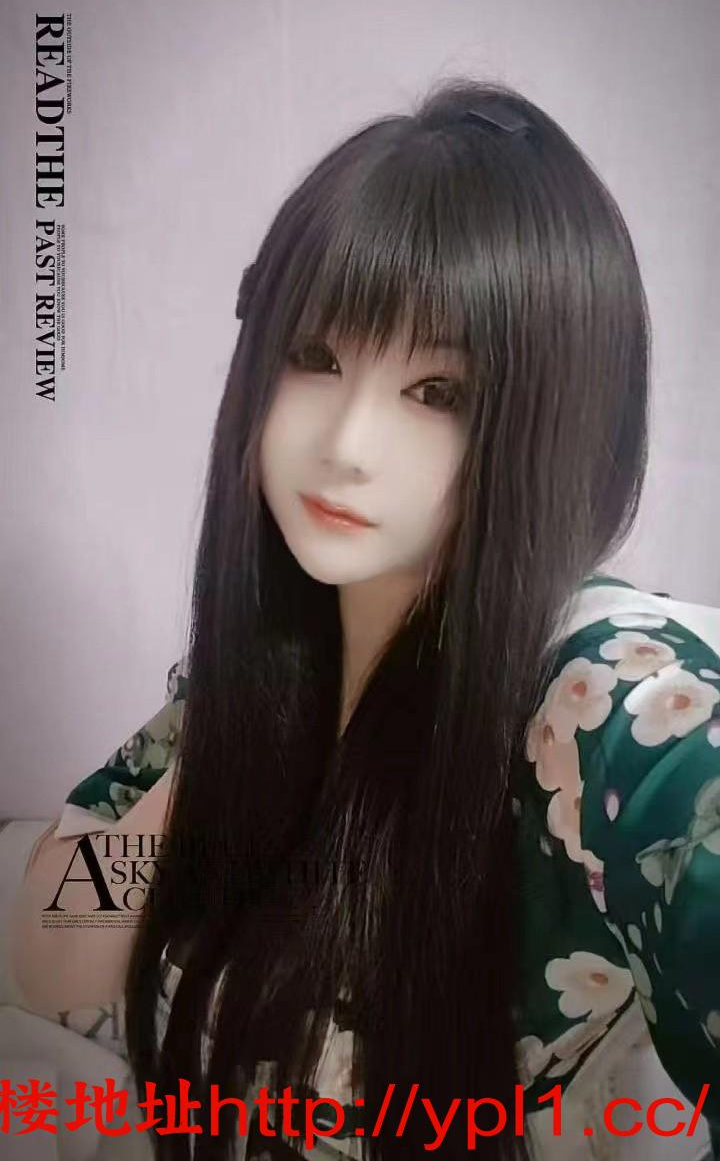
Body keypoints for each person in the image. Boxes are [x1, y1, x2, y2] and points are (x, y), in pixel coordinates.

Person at [12, 78, 720, 1161]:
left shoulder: (603, 700)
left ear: (559, 425)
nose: (345, 443)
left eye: (441, 393)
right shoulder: (270, 660)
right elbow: (47, 948)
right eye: (316, 357)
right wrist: (238, 749)